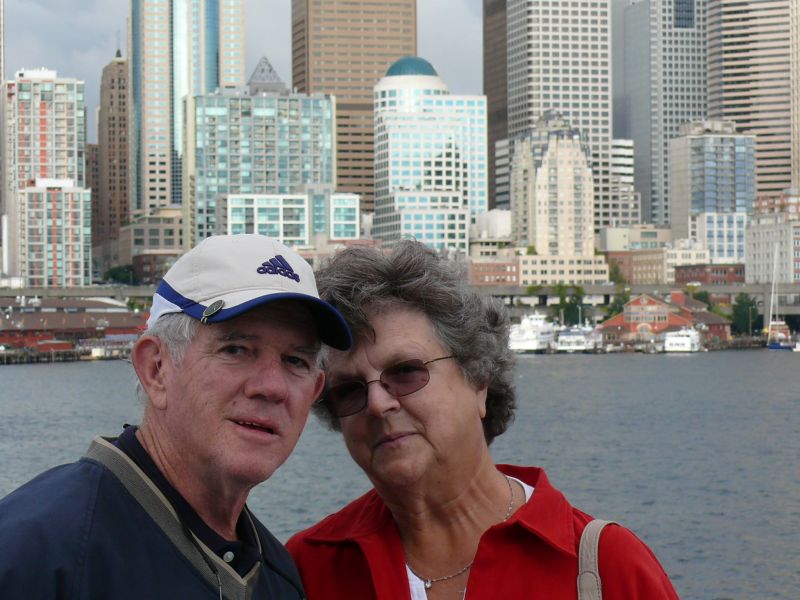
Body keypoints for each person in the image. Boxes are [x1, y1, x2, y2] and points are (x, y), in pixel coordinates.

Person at [286, 240, 679, 600]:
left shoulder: (606, 566)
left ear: (478, 380)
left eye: (406, 372)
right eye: (350, 390)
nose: (377, 403)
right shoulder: (308, 567)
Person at [0, 234, 352, 599]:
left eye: (296, 361)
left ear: (315, 390)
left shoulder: (279, 577)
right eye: (236, 349)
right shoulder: (36, 556)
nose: (272, 387)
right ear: (156, 369)